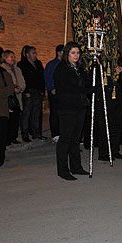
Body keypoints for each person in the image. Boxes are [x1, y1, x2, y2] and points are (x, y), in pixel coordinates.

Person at [54, 42, 91, 180]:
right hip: (67, 108)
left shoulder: (79, 67)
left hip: (79, 107)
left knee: (75, 139)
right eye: (73, 53)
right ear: (67, 54)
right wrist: (85, 90)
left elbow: (86, 82)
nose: (76, 55)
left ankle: (76, 167)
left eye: (78, 53)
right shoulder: (61, 69)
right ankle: (63, 170)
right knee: (65, 139)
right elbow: (66, 89)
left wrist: (92, 69)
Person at [18, 46, 46, 141]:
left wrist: (42, 90)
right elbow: (22, 79)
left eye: (35, 53)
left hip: (38, 91)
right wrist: (25, 91)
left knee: (37, 113)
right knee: (26, 113)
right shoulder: (22, 64)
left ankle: (36, 133)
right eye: (33, 53)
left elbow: (42, 77)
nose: (35, 55)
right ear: (27, 55)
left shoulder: (38, 63)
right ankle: (25, 134)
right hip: (29, 91)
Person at [0, 50, 25, 145]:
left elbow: (22, 81)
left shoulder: (17, 69)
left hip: (18, 96)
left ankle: (13, 137)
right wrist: (13, 88)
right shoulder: (3, 69)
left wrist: (20, 88)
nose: (13, 59)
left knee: (15, 118)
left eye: (14, 57)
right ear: (5, 58)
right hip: (9, 96)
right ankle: (6, 139)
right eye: (11, 57)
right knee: (8, 119)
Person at [44, 44, 63, 142]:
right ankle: (55, 133)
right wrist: (51, 88)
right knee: (55, 113)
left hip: (63, 92)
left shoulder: (65, 64)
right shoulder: (52, 64)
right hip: (54, 92)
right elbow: (47, 77)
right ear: (59, 53)